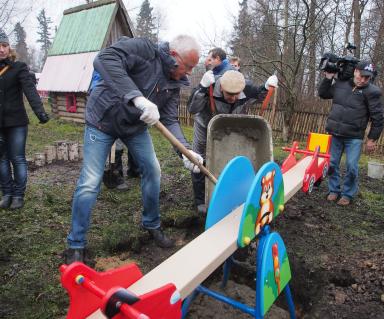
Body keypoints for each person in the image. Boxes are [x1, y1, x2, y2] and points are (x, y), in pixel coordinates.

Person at [64, 35, 202, 264]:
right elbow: (104, 59)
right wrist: (137, 98)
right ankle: (76, 244)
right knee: (90, 182)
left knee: (153, 170)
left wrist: (186, 152)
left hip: (134, 128)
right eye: (188, 67)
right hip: (102, 121)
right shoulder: (143, 50)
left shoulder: (174, 83)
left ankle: (152, 224)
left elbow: (169, 119)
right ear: (174, 56)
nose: (188, 73)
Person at [188, 70, 278, 214]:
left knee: (226, 158)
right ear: (221, 88)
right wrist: (201, 89)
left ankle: (230, 194)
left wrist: (267, 87)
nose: (233, 98)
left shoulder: (246, 86)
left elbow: (259, 94)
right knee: (198, 160)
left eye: (237, 94)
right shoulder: (209, 86)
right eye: (229, 94)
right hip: (205, 124)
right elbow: (192, 108)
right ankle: (201, 201)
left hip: (230, 125)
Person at [318, 60, 384, 206]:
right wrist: (328, 78)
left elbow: (378, 118)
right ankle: (334, 190)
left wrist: (372, 139)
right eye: (361, 76)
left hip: (354, 136)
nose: (363, 80)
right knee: (332, 164)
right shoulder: (341, 84)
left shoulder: (372, 92)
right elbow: (323, 93)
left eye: (367, 78)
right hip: (335, 133)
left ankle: (348, 193)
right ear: (355, 71)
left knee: (352, 167)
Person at [0, 29, 49, 210]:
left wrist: (40, 112)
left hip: (17, 123)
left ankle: (18, 195)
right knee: (1, 159)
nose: (1, 49)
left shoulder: (18, 67)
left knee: (17, 158)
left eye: (4, 45)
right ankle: (7, 194)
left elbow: (30, 91)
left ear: (9, 47)